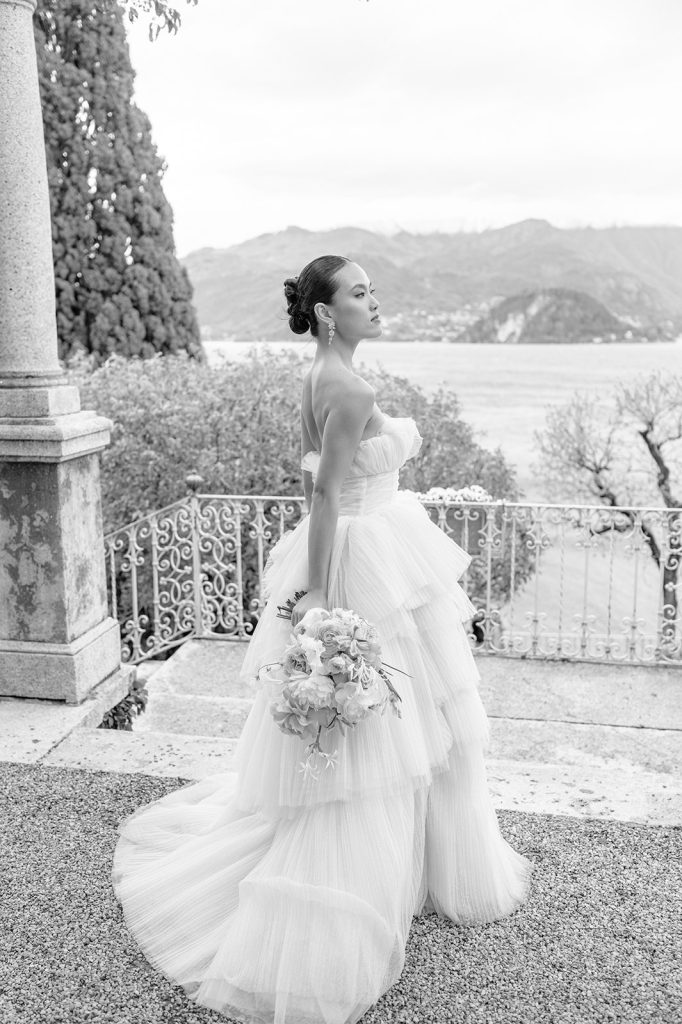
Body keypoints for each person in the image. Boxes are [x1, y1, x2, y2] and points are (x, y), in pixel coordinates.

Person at [112, 255, 532, 1024]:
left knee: (413, 726)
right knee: (398, 730)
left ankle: (413, 871)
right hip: (367, 556)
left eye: (373, 288)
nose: (377, 300)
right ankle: (358, 892)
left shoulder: (321, 374)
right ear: (330, 311)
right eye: (362, 292)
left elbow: (321, 485)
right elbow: (326, 495)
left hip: (377, 542)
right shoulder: (352, 386)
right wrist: (327, 603)